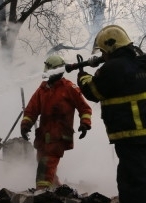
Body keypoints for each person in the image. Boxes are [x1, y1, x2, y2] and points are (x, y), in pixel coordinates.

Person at [76, 25, 146, 203]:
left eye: (103, 51)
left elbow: (94, 91)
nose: (102, 56)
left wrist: (82, 77)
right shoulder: (142, 62)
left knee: (137, 181)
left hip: (129, 133)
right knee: (128, 177)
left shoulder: (114, 68)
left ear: (111, 47)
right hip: (145, 132)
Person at [21, 54, 93, 190]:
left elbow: (85, 108)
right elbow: (31, 110)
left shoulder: (69, 88)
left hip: (59, 135)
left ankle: (41, 193)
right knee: (43, 162)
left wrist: (85, 124)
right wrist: (25, 125)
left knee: (46, 164)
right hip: (43, 137)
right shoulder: (42, 89)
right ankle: (58, 189)